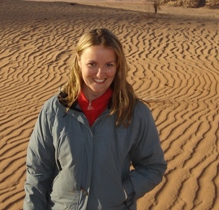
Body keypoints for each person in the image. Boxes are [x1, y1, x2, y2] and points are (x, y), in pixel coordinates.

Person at [23, 28, 167, 209]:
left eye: (109, 65)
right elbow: (38, 171)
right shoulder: (54, 110)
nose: (100, 74)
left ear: (118, 66)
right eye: (92, 64)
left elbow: (153, 167)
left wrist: (123, 191)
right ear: (78, 61)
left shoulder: (135, 112)